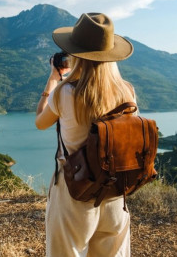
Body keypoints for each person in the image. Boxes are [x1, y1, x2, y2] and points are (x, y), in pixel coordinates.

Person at [35, 13, 136, 257]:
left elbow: (40, 122)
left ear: (75, 54)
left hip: (74, 193)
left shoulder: (64, 92)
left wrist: (52, 80)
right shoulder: (127, 93)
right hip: (113, 194)